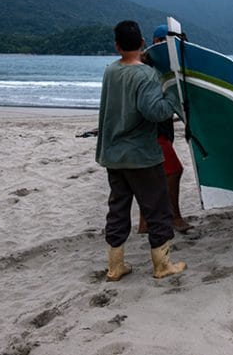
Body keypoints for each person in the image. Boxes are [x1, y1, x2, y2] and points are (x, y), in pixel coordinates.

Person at [96, 20, 186, 281]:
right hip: (141, 156)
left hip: (113, 154)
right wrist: (172, 95)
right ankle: (162, 265)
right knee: (157, 209)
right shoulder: (145, 74)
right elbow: (154, 111)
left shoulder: (110, 71)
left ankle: (115, 267)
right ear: (143, 43)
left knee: (118, 209)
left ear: (117, 46)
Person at [136, 24, 192, 234]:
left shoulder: (162, 67)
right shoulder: (148, 68)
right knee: (174, 171)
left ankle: (145, 223)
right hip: (154, 131)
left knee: (152, 176)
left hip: (158, 129)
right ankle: (174, 217)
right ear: (157, 42)